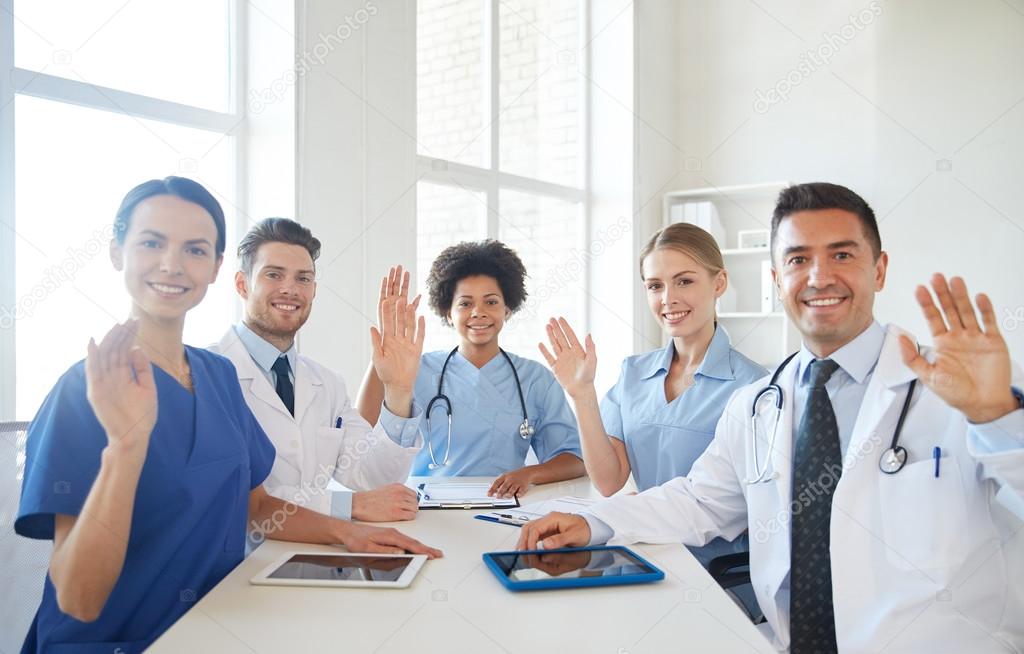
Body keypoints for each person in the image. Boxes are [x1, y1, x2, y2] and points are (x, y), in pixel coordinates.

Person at [518, 182, 1024, 653]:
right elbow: (698, 502)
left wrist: (1000, 418)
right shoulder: (758, 403)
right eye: (798, 259)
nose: (819, 276)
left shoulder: (962, 388)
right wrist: (592, 520)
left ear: (880, 269)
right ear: (776, 278)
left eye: (842, 255)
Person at [15, 178, 440, 653]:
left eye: (195, 249)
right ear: (117, 253)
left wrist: (350, 533)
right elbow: (78, 599)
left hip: (219, 624)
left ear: (215, 267)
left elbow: (257, 508)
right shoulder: (81, 393)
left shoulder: (216, 375)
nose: (172, 264)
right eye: (152, 242)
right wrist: (125, 447)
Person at [210, 218, 423, 522]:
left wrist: (399, 392)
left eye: (303, 278)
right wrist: (348, 507)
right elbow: (232, 496)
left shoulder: (327, 383)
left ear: (314, 290)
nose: (290, 289)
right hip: (242, 563)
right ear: (242, 284)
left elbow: (373, 479)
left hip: (318, 556)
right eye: (273, 274)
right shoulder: (208, 375)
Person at [358, 240, 585, 498]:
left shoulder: (535, 378)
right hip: (425, 508)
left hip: (503, 506)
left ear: (508, 309)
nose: (478, 312)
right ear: (447, 313)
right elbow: (363, 427)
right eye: (465, 304)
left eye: (491, 302)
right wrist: (379, 359)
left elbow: (574, 459)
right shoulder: (416, 369)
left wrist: (529, 473)